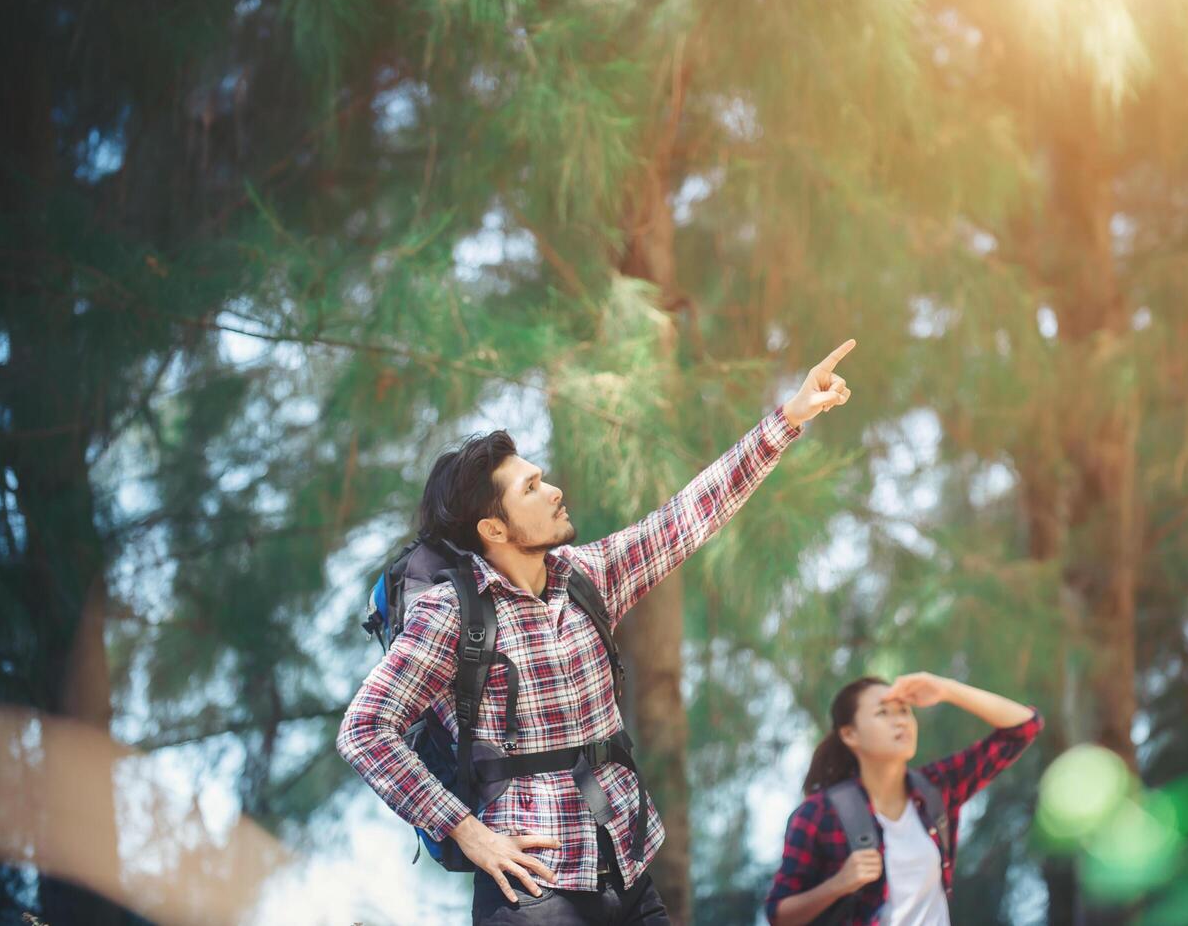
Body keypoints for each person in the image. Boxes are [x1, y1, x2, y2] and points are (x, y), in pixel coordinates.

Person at [337, 340, 856, 925]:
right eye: (530, 488)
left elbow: (689, 514)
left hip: (628, 869)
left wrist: (788, 418)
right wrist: (467, 831)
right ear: (494, 528)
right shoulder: (451, 614)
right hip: (535, 891)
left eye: (542, 478)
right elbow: (363, 731)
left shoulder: (588, 574)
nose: (553, 488)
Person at [766, 673, 1042, 926]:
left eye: (904, 711)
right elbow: (779, 915)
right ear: (850, 734)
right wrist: (838, 884)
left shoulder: (936, 789)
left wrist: (945, 689)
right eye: (883, 712)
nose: (900, 721)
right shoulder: (819, 813)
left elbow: (1024, 727)